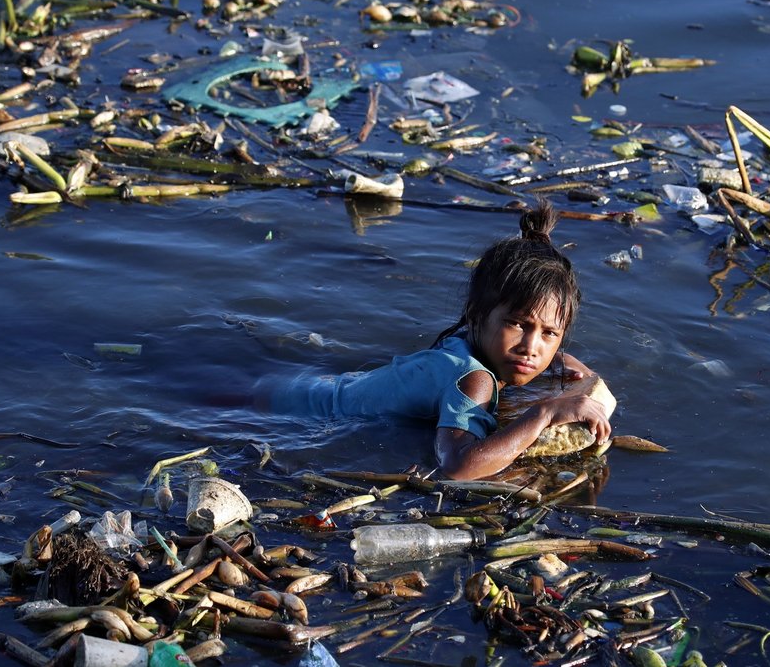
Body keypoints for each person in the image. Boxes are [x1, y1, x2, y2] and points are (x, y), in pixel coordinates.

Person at [259, 201, 612, 480]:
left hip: (308, 389)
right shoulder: (475, 381)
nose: (531, 347)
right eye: (518, 325)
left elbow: (530, 340)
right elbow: (458, 466)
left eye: (549, 334)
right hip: (297, 412)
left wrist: (563, 362)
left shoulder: (469, 342)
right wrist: (544, 414)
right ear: (477, 315)